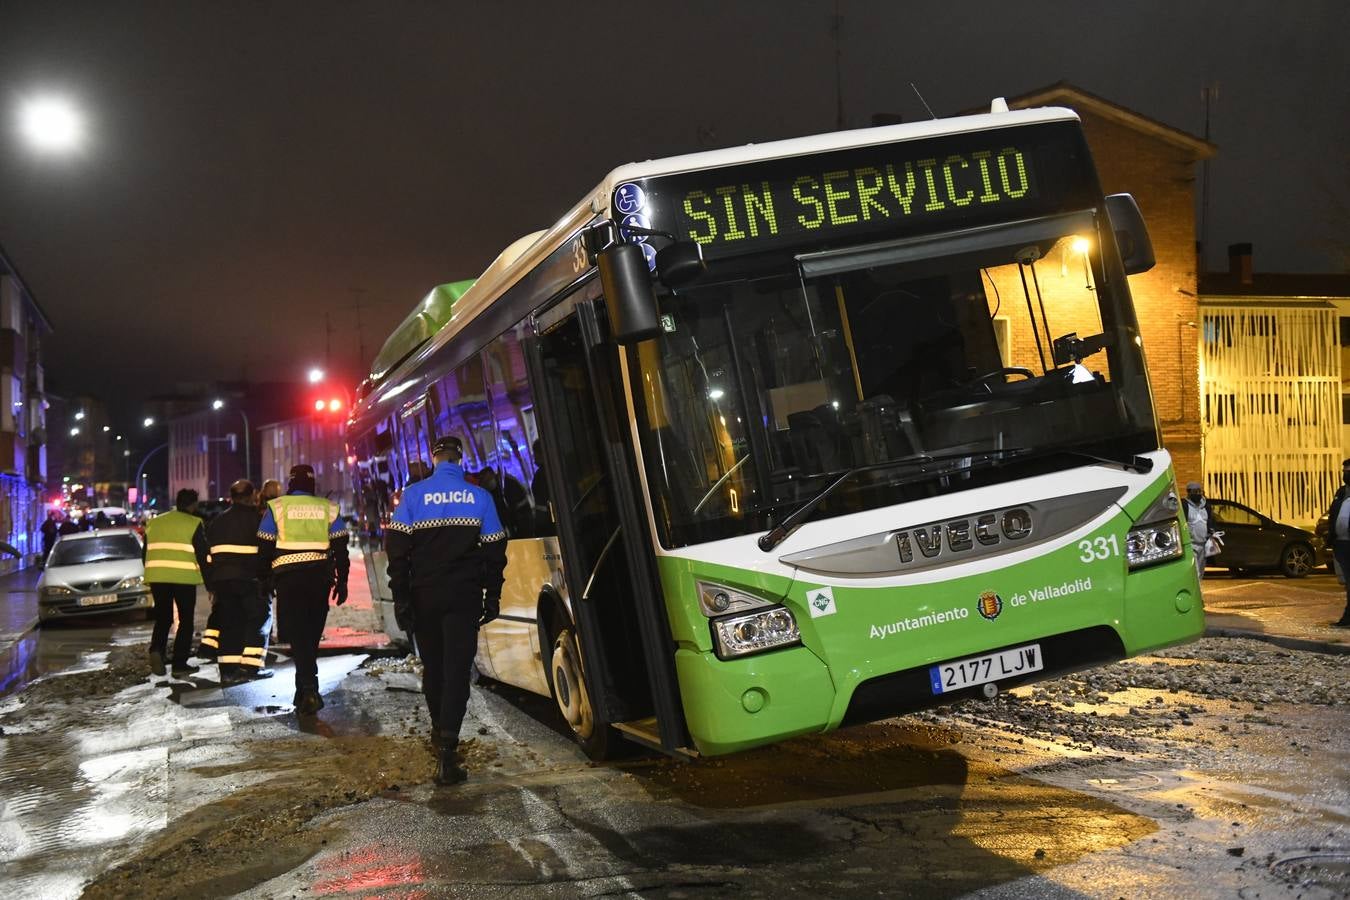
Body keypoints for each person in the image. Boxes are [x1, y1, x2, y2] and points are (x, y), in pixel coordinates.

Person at [386, 435, 507, 786]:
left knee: (435, 669)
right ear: (461, 458)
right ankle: (448, 753)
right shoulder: (480, 497)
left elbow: (397, 553)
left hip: (425, 596)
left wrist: (402, 599)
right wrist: (492, 596)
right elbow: (495, 551)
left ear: (434, 458)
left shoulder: (412, 496)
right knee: (457, 672)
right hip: (463, 596)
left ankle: (439, 733)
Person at [257, 464, 349, 714]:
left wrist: (264, 580)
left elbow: (264, 548)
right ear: (312, 483)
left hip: (288, 580)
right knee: (310, 634)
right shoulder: (327, 508)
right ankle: (307, 688)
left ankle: (307, 688)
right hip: (319, 579)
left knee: (299, 635)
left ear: (290, 483)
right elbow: (341, 548)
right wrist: (343, 581)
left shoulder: (276, 507)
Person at [207, 480, 272, 683]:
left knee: (229, 624)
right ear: (253, 495)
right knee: (258, 620)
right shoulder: (258, 520)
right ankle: (251, 668)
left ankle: (228, 671)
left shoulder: (217, 522)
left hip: (223, 582)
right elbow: (266, 553)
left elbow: (209, 557)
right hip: (250, 581)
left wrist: (213, 584)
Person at [144, 490, 211, 677]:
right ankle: (180, 664)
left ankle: (157, 650)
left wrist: (151, 573)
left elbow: (145, 553)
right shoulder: (193, 523)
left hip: (158, 577)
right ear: (193, 505)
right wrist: (210, 584)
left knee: (163, 618)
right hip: (184, 578)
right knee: (185, 619)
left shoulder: (154, 522)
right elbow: (202, 555)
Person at [1324, 459, 1350, 627]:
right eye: (1344, 470)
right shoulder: (1340, 493)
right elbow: (1333, 514)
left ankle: (1347, 617)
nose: (1345, 474)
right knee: (1347, 582)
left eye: (1348, 471)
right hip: (1340, 543)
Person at [1182, 481, 1213, 582]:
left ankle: (1199, 593)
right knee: (1195, 572)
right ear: (1189, 492)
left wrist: (1212, 531)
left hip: (1203, 545)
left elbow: (1210, 521)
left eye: (1200, 491)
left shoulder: (1206, 506)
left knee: (1201, 572)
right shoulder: (1186, 506)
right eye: (1195, 492)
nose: (1198, 494)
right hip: (1191, 545)